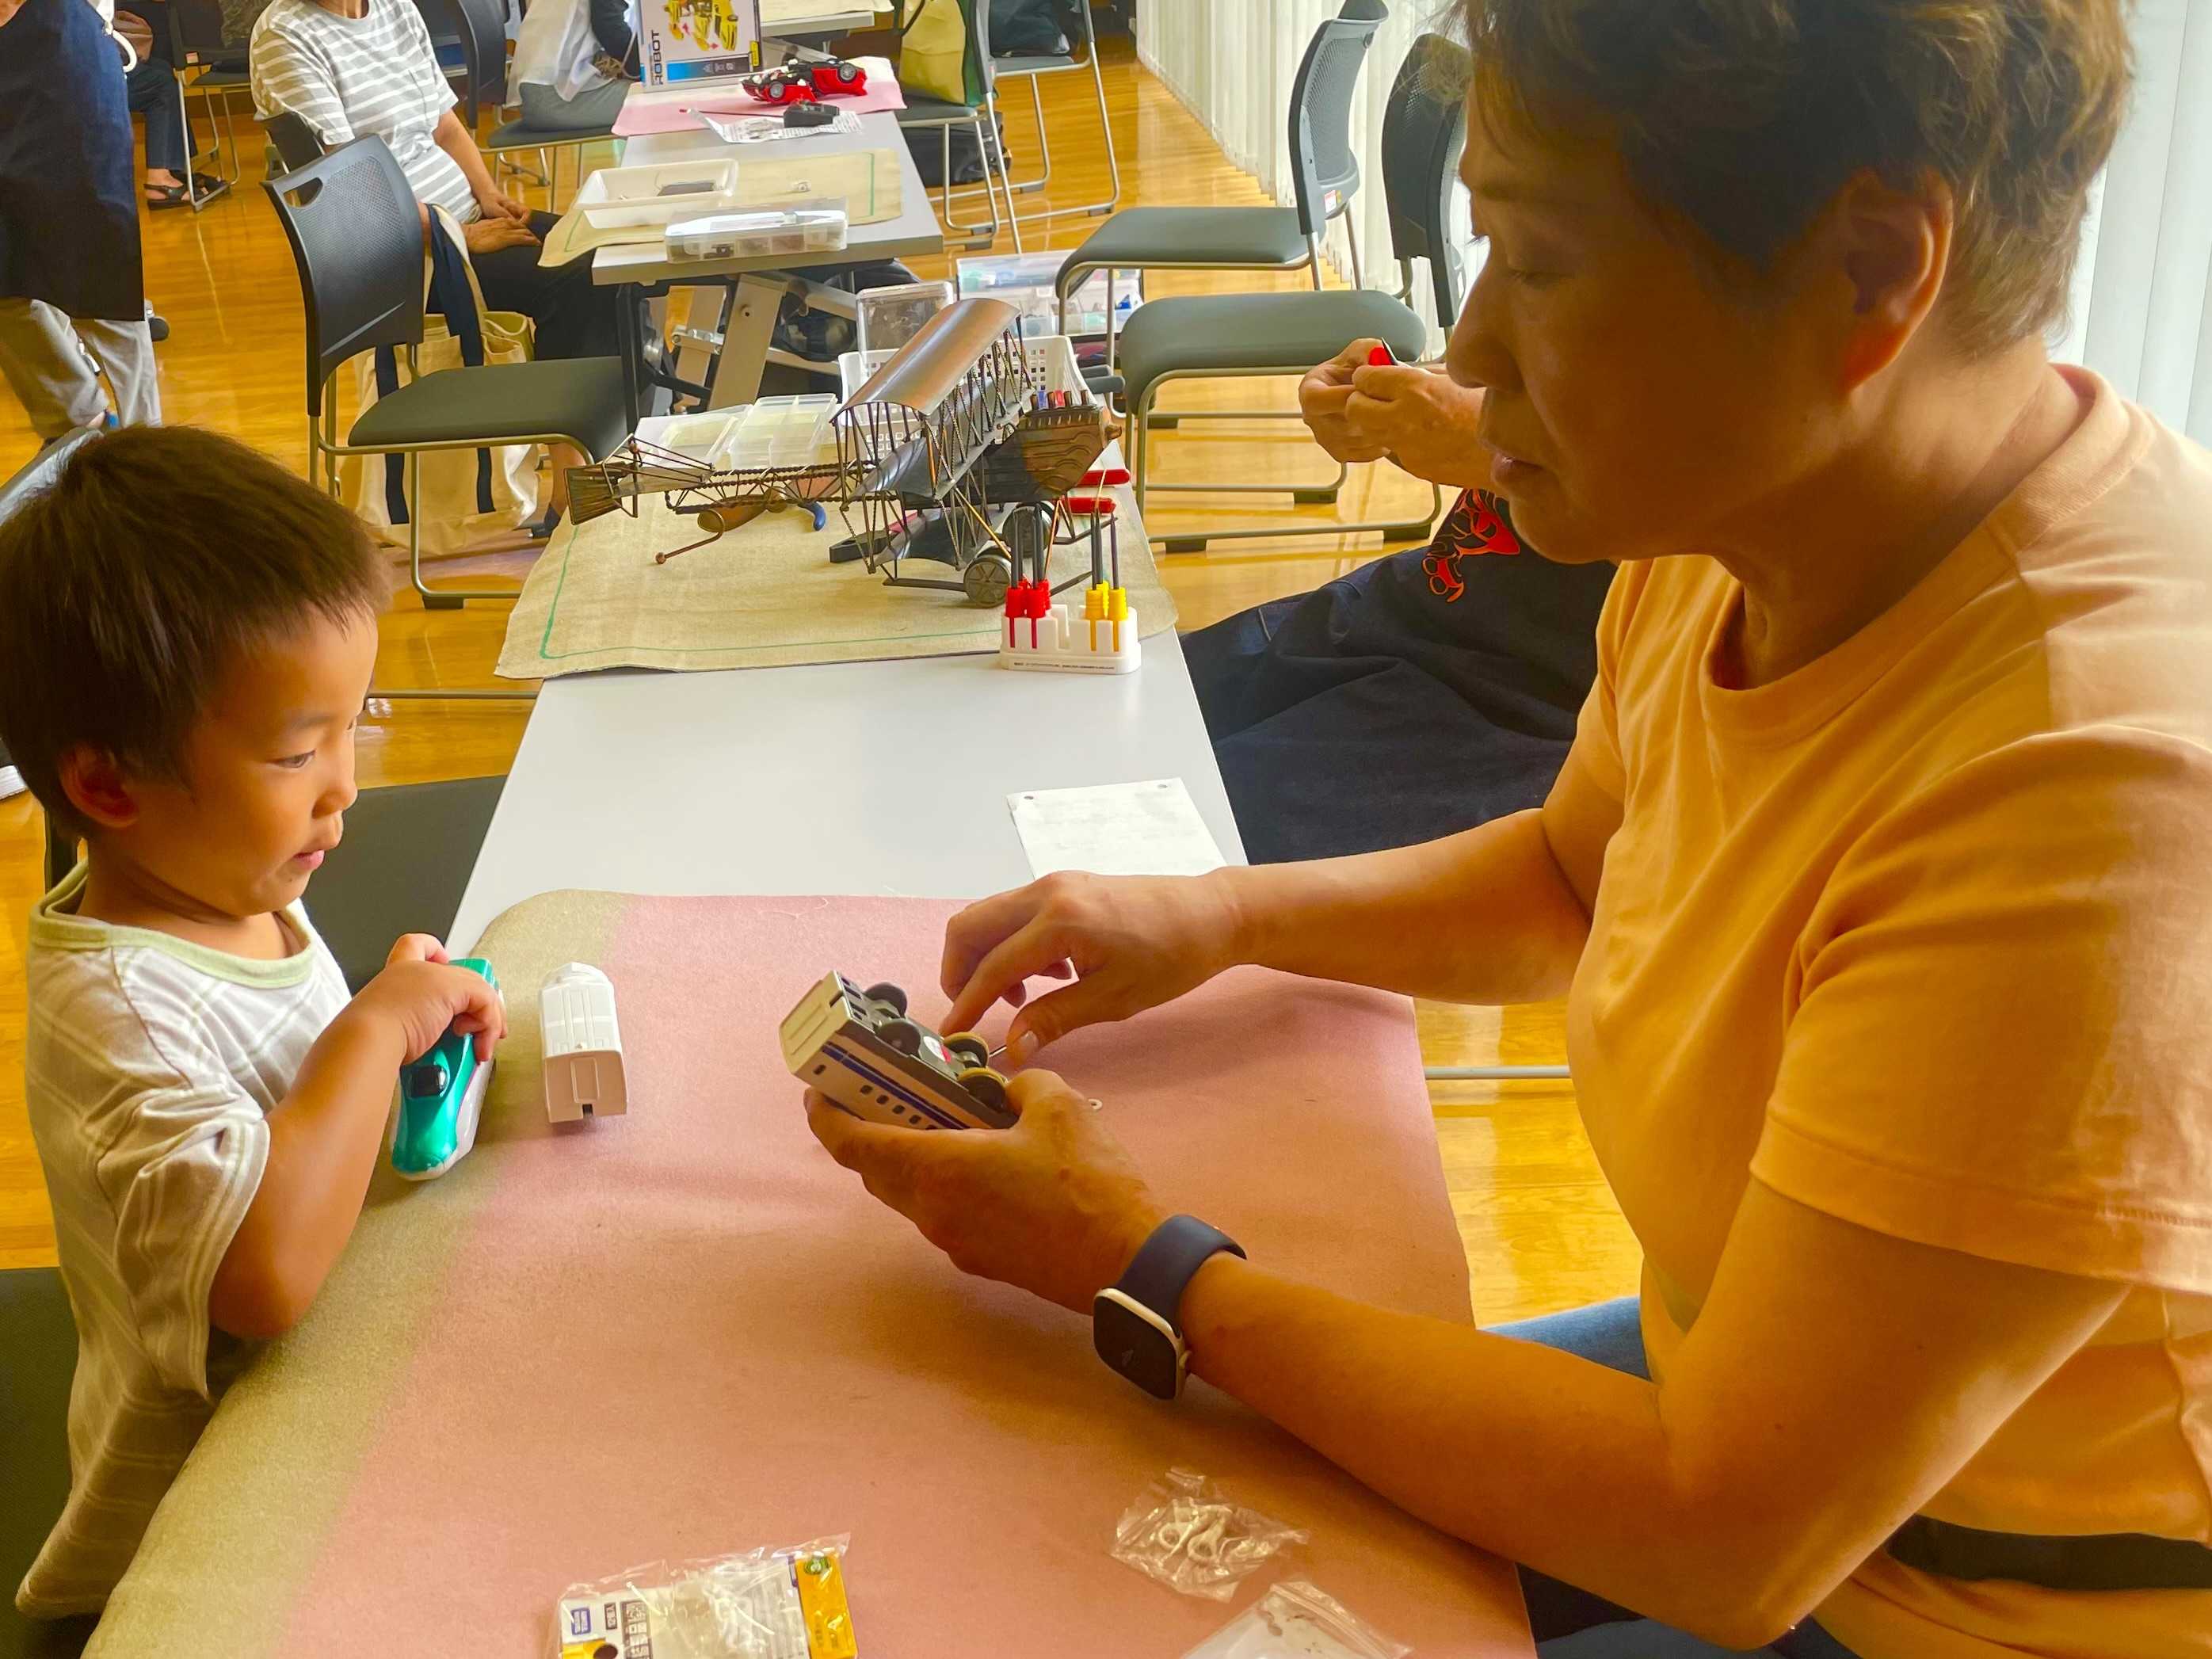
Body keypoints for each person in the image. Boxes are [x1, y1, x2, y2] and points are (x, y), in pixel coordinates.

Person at [801, 2, 2212, 1655]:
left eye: (1534, 264)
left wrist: (1146, 1263)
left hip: (1946, 1601)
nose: (1467, 354)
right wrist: (1217, 914)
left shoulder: (2090, 790)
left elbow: (1722, 1532)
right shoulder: (1743, 520)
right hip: (1748, 1423)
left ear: (1869, 273)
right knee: (1082, 1496)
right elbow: (1567, 878)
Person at [0, 426, 507, 1618]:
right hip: (203, 1529)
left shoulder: (226, 882)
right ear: (109, 786)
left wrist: (380, 1013)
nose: (347, 784)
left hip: (325, 1396)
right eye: (296, 751)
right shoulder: (118, 1009)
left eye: (353, 724)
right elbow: (261, 1275)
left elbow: (283, 1084)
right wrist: (370, 1037)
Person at [1186, 341, 1613, 863]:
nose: (1476, 332)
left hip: (1529, 706)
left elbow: (1693, 536)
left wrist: (1504, 449)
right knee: (1137, 712)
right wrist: (1403, 397)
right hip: (1421, 601)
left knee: (1187, 832)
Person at [250, 0, 628, 364]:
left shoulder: (395, 8)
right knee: (577, 281)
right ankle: (572, 407)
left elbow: (444, 126)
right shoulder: (284, 35)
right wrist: (459, 235)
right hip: (402, 258)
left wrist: (488, 194)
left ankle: (630, 397)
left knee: (611, 255)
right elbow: (350, 186)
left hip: (459, 222)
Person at [0, 0, 162, 438]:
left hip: (64, 65)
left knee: (98, 273)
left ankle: (146, 448)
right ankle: (77, 421)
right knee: (6, 279)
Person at [508, 0, 635, 134]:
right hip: (553, 98)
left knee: (645, 95)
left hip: (539, 92)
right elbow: (613, 31)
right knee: (649, 103)